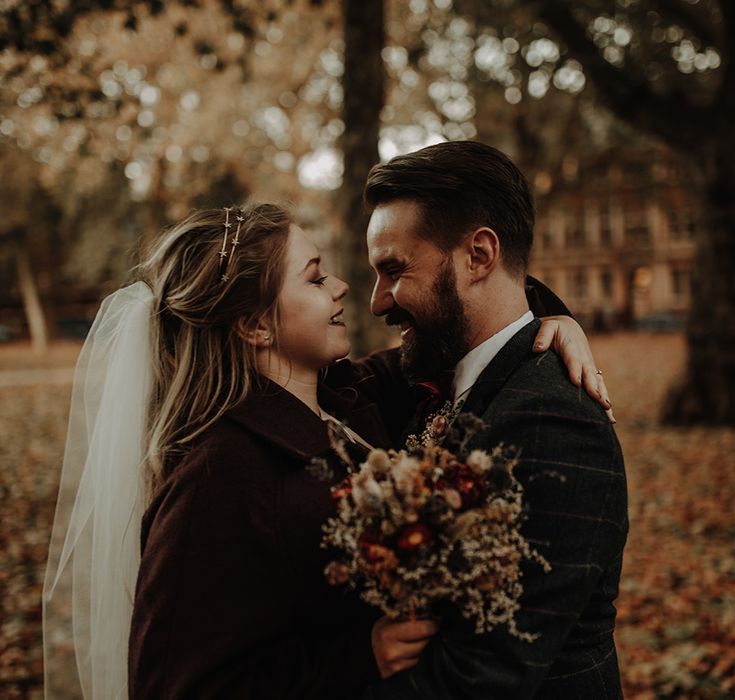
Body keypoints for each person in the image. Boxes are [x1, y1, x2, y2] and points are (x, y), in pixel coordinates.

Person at [42, 201, 598, 699]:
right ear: (257, 325)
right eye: (314, 279)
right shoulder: (219, 475)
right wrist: (355, 657)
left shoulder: (347, 397)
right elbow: (171, 686)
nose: (341, 287)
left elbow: (471, 327)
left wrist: (546, 323)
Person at [360, 141, 629, 698]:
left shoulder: (552, 421)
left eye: (393, 271)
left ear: (479, 256)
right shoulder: (440, 375)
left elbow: (483, 681)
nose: (377, 302)